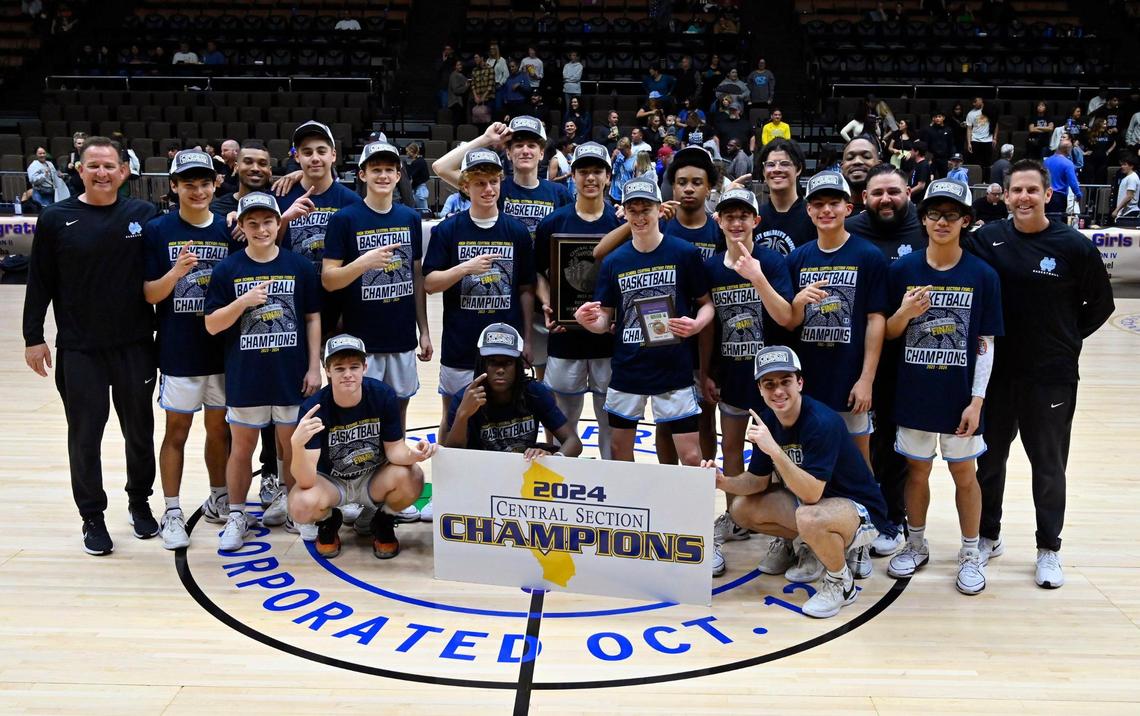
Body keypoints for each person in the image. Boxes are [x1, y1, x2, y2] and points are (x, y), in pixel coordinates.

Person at [965, 159, 1114, 589]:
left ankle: (1049, 548)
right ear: (1005, 196)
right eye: (1017, 190)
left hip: (1051, 376)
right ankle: (988, 536)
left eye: (1032, 190)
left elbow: (1101, 305)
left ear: (1048, 195)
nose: (1024, 197)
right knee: (989, 461)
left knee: (1048, 466)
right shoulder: (987, 239)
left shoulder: (1074, 246)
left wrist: (1066, 337)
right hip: (996, 377)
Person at [22, 135, 160, 556]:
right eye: (93, 165)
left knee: (140, 433)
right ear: (79, 170)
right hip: (80, 349)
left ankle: (139, 502)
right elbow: (39, 281)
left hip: (135, 345)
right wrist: (33, 337)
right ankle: (92, 517)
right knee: (85, 436)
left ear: (124, 171)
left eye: (109, 165)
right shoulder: (55, 218)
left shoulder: (144, 214)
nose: (102, 172)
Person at [704, 345, 891, 618]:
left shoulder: (821, 422)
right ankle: (808, 546)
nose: (778, 391)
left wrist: (775, 450)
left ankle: (841, 583)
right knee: (741, 508)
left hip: (860, 509)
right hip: (815, 502)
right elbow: (757, 482)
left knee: (808, 517)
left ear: (800, 383)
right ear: (760, 389)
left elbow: (812, 494)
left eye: (785, 381)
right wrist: (722, 482)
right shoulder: (767, 419)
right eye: (769, 384)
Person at [885, 178, 1003, 595]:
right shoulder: (902, 270)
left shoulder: (983, 275)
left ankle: (970, 552)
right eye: (934, 213)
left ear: (965, 221)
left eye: (951, 215)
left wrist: (977, 400)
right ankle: (916, 544)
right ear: (923, 219)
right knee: (916, 472)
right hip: (915, 393)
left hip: (960, 399)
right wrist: (904, 312)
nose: (941, 221)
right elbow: (888, 332)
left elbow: (986, 344)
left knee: (964, 473)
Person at [422, 148, 536, 520]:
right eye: (480, 183)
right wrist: (464, 268)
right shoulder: (449, 229)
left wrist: (528, 339)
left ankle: (500, 494)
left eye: (494, 182)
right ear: (466, 186)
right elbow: (430, 283)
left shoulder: (516, 231)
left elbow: (525, 288)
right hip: (461, 345)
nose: (488, 189)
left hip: (506, 348)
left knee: (503, 418)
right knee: (453, 417)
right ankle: (445, 492)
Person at [204, 192, 321, 551]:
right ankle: (237, 514)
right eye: (252, 223)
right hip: (246, 374)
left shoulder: (299, 266)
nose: (261, 229)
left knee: (291, 446)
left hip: (290, 372)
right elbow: (212, 324)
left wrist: (314, 366)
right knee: (242, 448)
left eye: (268, 221)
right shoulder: (228, 269)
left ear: (277, 222)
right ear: (241, 226)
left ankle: (293, 507)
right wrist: (242, 302)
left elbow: (312, 318)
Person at [575, 179, 714, 466]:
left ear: (659, 210)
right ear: (625, 213)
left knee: (690, 456)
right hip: (629, 366)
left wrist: (697, 325)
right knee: (619, 451)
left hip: (673, 365)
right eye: (633, 211)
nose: (639, 217)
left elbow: (707, 304)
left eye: (646, 210)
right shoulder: (614, 261)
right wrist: (588, 322)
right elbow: (605, 320)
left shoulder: (684, 253)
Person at [142, 150, 237, 549]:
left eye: (204, 183)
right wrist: (176, 272)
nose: (198, 191)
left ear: (216, 185)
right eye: (189, 184)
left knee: (219, 429)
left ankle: (219, 497)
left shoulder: (229, 230)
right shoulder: (158, 230)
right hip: (178, 350)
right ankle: (172, 510)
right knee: (177, 431)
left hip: (221, 350)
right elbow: (150, 293)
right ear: (174, 186)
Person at [699, 188, 795, 575]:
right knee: (732, 449)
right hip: (732, 373)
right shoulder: (711, 267)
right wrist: (706, 370)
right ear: (718, 221)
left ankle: (782, 531)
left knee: (778, 456)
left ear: (756, 221)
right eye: (729, 216)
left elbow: (786, 315)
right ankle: (736, 517)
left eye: (743, 216)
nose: (736, 222)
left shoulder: (771, 261)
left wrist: (757, 277)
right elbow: (709, 326)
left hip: (771, 380)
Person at [290, 335, 436, 560]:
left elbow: (395, 451)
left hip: (372, 478)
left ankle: (382, 520)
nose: (347, 374)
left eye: (354, 367)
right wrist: (296, 445)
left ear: (365, 367)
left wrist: (413, 454)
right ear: (327, 370)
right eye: (339, 368)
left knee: (413, 476)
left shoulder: (383, 395)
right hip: (332, 482)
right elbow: (306, 480)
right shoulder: (314, 408)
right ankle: (329, 521)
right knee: (300, 504)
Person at [843, 163, 927, 554]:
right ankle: (859, 514)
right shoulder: (851, 230)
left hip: (912, 357)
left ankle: (893, 517)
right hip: (857, 355)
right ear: (864, 198)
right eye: (877, 193)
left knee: (897, 443)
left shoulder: (925, 228)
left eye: (893, 191)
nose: (886, 199)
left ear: (908, 193)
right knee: (861, 441)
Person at [322, 140, 431, 430]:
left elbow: (416, 277)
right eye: (376, 169)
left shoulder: (410, 218)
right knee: (362, 413)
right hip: (361, 339)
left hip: (402, 335)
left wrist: (424, 330)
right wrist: (363, 263)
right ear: (362, 174)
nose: (383, 176)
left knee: (399, 408)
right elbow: (329, 280)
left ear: (398, 175)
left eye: (389, 170)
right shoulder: (344, 220)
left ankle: (396, 456)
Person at [787, 171, 889, 466]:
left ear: (849, 208)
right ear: (809, 210)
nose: (826, 210)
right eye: (818, 204)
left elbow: (876, 320)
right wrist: (797, 303)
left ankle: (867, 501)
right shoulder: (797, 259)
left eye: (834, 203)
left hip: (850, 378)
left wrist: (866, 379)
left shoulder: (868, 256)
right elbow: (789, 322)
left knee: (858, 460)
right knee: (811, 459)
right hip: (809, 379)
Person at [535, 143, 620, 460]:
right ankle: (561, 480)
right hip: (565, 336)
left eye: (597, 171)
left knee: (609, 421)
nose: (590, 178)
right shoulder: (553, 223)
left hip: (608, 340)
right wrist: (548, 304)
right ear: (572, 176)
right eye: (583, 171)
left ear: (608, 177)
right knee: (563, 424)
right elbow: (538, 272)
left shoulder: (621, 224)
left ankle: (611, 480)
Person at [276, 120, 364, 343]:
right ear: (297, 157)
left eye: (321, 151)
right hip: (292, 305)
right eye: (307, 152)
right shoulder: (280, 197)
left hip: (338, 306)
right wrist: (283, 220)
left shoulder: (352, 201)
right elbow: (266, 252)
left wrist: (347, 314)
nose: (314, 158)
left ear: (333, 155)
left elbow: (358, 262)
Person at [446, 323, 582, 458]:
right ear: (482, 365)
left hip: (524, 468)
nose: (500, 370)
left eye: (508, 362)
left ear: (518, 365)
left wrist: (553, 458)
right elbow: (451, 455)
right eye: (492, 361)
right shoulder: (464, 398)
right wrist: (462, 415)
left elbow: (573, 442)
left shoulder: (535, 392)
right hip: (479, 468)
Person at [756, 138, 814, 255]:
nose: (777, 169)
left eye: (784, 164)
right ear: (763, 171)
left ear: (798, 169)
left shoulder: (813, 216)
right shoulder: (754, 216)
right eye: (770, 164)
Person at [1043, 135, 1082, 218]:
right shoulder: (1068, 163)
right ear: (1068, 150)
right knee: (1057, 221)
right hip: (1059, 197)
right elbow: (1073, 182)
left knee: (1046, 219)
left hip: (1045, 195)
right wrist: (1078, 194)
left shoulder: (1046, 161)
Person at [840, 137, 881, 213]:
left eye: (866, 157)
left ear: (879, 165)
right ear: (842, 167)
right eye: (850, 158)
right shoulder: (830, 211)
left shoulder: (892, 209)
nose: (857, 161)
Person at [920, 109, 956, 178]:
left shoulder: (948, 130)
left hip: (944, 159)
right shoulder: (928, 130)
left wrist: (950, 159)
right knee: (929, 177)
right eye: (935, 117)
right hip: (932, 158)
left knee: (944, 178)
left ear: (943, 118)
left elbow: (951, 145)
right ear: (933, 118)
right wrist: (928, 158)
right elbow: (926, 145)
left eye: (939, 117)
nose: (937, 118)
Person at [404, 142, 430, 212]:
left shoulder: (418, 162)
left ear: (412, 151)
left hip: (419, 189)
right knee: (422, 211)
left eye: (407, 151)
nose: (406, 153)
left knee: (423, 212)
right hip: (420, 188)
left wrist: (405, 165)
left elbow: (410, 174)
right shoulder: (421, 161)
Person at [1112, 154, 1139, 222]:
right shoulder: (1127, 177)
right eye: (1121, 165)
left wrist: (1116, 210)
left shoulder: (1132, 178)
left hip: (1130, 211)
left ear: (1131, 166)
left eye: (1124, 165)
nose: (1122, 167)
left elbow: (1129, 196)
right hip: (1125, 212)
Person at [447, 59, 469, 127]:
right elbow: (456, 90)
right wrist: (466, 87)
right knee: (456, 122)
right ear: (455, 66)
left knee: (460, 121)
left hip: (459, 102)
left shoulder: (460, 75)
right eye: (458, 65)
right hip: (455, 102)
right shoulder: (454, 75)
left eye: (461, 64)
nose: (460, 66)